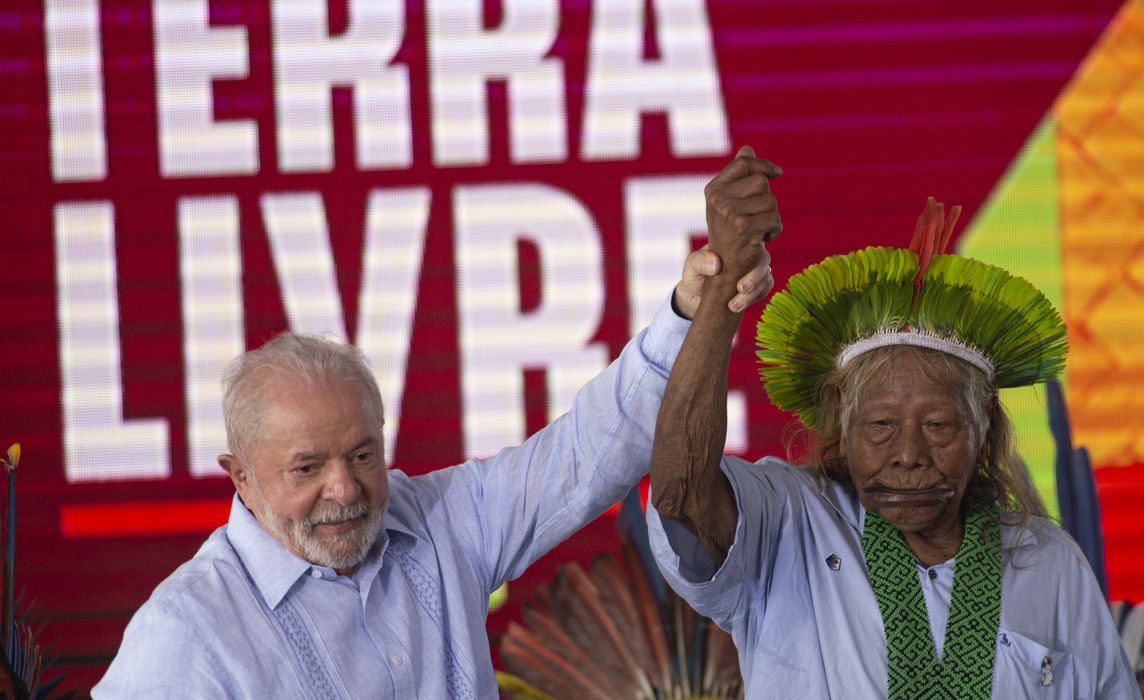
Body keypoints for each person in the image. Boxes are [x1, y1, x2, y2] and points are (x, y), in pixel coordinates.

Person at [92, 148, 781, 698]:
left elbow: (588, 453)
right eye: (307, 468)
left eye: (362, 455)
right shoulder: (187, 632)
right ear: (239, 476)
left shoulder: (440, 521)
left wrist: (692, 312)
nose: (346, 489)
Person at [647, 192, 1141, 698]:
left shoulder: (1048, 562)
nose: (908, 454)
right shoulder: (789, 525)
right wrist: (721, 299)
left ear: (985, 425)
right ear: (842, 416)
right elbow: (682, 498)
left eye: (939, 426)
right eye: (880, 425)